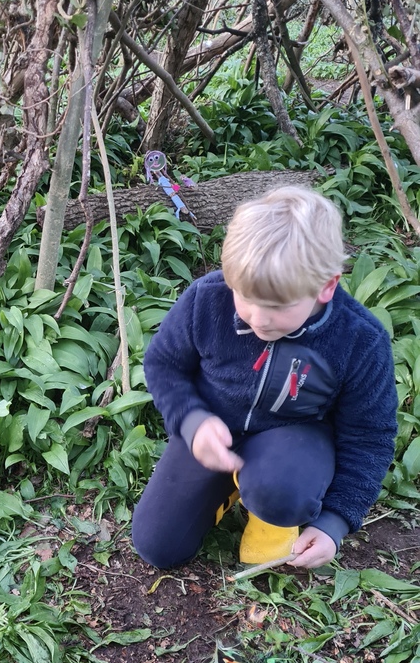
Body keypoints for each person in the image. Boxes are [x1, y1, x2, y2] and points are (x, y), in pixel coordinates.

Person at [131, 186, 398, 570]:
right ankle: (233, 484)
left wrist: (334, 523)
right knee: (158, 545)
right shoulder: (206, 300)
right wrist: (191, 421)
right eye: (244, 296)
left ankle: (270, 513)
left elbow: (370, 435)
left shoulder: (359, 340)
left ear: (327, 285)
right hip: (215, 432)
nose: (258, 318)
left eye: (277, 307)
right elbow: (163, 365)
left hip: (294, 442)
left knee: (281, 488)